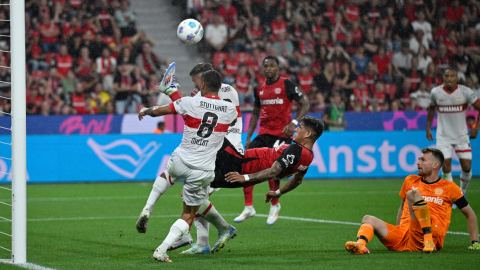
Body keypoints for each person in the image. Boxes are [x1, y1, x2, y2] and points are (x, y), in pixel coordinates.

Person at [172, 116, 324, 254]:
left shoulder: (296, 150)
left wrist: (244, 177)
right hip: (240, 168)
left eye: (300, 127)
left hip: (238, 164)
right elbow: (297, 180)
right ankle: (206, 240)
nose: (296, 129)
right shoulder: (308, 157)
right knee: (193, 190)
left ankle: (205, 233)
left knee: (211, 134)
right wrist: (277, 193)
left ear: (308, 134)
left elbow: (273, 172)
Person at [138, 62, 244, 255]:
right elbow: (228, 119)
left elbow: (175, 112)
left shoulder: (194, 100)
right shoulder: (227, 106)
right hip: (210, 157)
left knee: (190, 203)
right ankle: (207, 237)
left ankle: (193, 234)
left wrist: (158, 103)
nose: (195, 86)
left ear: (203, 82)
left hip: (224, 155)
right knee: (195, 198)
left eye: (196, 81)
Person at [345, 148, 479, 254]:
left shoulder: (449, 187)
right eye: (419, 159)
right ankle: (361, 245)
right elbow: (402, 207)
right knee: (368, 218)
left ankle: (428, 240)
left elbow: (470, 214)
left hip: (430, 235)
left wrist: (475, 242)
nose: (417, 163)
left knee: (413, 194)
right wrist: (399, 229)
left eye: (423, 160)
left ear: (435, 165)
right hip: (405, 236)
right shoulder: (410, 180)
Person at [237, 55, 310, 226]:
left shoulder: (286, 84)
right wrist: (248, 137)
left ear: (278, 68)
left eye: (272, 66)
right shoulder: (259, 88)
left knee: (273, 167)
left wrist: (293, 123)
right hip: (263, 133)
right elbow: (255, 113)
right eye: (266, 66)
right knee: (245, 163)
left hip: (282, 134)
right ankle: (248, 207)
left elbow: (305, 104)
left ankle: (274, 205)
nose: (268, 69)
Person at [426, 67, 480, 197]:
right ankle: (452, 196)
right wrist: (428, 128)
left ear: (457, 78)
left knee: (466, 167)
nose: (449, 79)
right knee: (445, 167)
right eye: (446, 76)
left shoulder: (465, 92)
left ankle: (462, 191)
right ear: (443, 78)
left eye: (452, 76)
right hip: (443, 137)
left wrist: (476, 128)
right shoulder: (436, 92)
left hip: (462, 136)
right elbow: (432, 110)